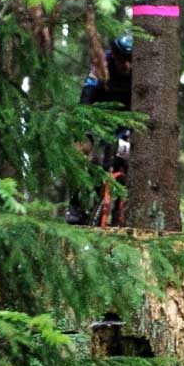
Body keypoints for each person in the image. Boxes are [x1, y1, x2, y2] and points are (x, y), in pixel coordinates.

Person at [67, 34, 134, 225]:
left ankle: (119, 212)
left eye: (130, 60)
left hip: (125, 122)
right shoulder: (102, 63)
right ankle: (75, 206)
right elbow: (87, 94)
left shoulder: (140, 68)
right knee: (83, 153)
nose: (127, 65)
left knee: (126, 160)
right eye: (122, 60)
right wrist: (83, 125)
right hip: (97, 118)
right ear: (114, 55)